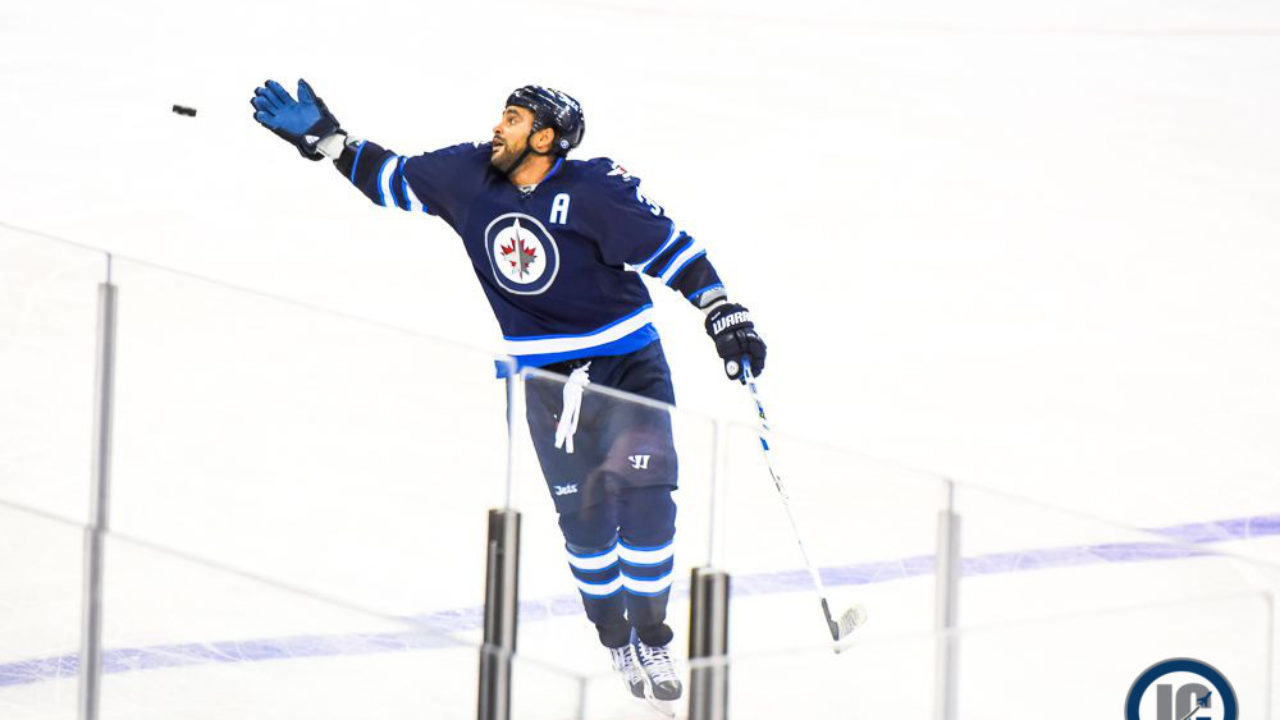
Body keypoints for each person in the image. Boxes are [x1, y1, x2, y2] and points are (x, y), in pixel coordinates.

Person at [250, 79, 767, 705]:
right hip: (545, 381)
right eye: (504, 115)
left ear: (545, 138)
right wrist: (328, 140)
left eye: (515, 119)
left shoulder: (595, 190)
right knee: (586, 524)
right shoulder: (468, 175)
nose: (498, 127)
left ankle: (653, 635)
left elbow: (671, 250)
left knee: (648, 505)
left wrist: (721, 309)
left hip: (627, 367)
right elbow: (390, 179)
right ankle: (614, 638)